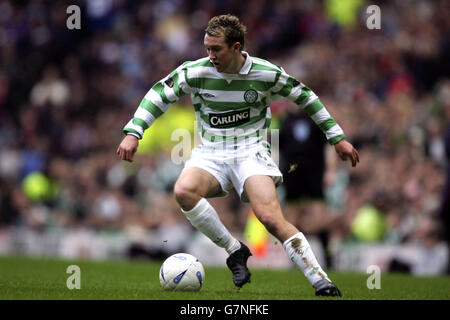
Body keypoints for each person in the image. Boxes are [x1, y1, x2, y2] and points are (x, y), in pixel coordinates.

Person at [117, 14, 359, 296]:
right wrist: (135, 132)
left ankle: (321, 280)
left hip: (250, 151)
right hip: (211, 152)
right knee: (184, 190)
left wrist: (336, 138)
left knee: (269, 217)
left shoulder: (266, 74)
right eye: (207, 48)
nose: (210, 56)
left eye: (216, 49)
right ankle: (234, 250)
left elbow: (305, 96)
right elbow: (158, 94)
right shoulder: (196, 71)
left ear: (236, 47)